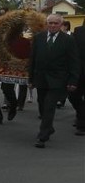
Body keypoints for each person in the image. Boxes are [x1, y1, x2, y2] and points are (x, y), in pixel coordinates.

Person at [28, 14, 80, 148]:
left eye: (55, 23)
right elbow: (33, 59)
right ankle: (49, 127)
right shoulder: (39, 38)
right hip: (40, 78)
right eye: (50, 23)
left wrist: (73, 81)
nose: (52, 25)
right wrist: (31, 79)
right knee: (41, 104)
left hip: (58, 80)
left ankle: (42, 136)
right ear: (46, 24)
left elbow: (74, 62)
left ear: (61, 25)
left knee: (49, 106)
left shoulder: (68, 40)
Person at [69, 23, 85, 136]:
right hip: (79, 71)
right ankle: (81, 113)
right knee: (73, 96)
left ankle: (81, 123)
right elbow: (72, 51)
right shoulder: (78, 31)